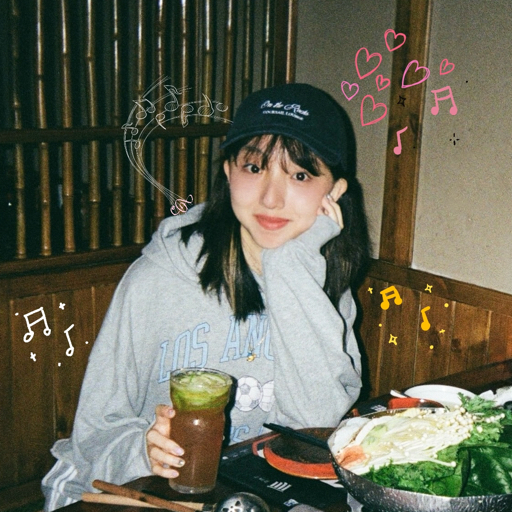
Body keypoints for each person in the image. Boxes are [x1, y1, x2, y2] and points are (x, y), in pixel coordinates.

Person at [42, 83, 370, 510]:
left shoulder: (323, 287)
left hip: (240, 495)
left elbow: (310, 433)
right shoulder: (157, 279)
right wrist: (145, 448)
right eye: (254, 167)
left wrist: (292, 266)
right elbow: (93, 435)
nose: (271, 198)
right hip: (123, 491)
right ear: (229, 171)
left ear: (335, 192)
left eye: (300, 175)